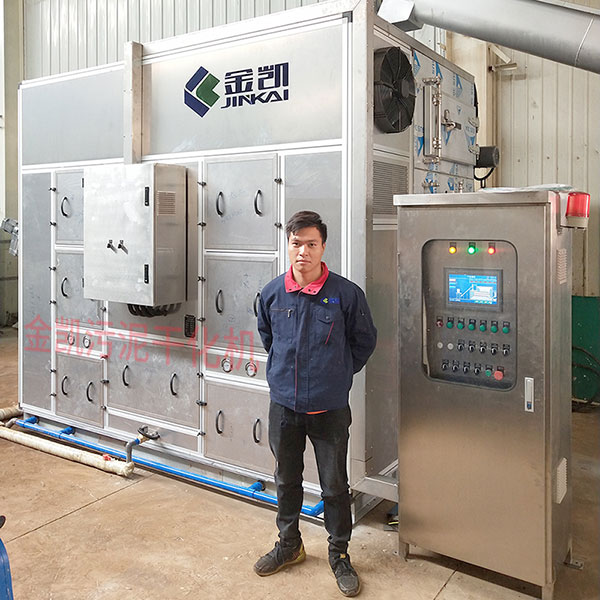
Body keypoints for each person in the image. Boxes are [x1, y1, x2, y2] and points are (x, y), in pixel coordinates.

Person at [254, 211, 377, 597]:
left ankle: (339, 554)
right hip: (284, 407)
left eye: (311, 244)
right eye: (296, 243)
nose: (303, 251)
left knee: (334, 485)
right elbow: (268, 337)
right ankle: (289, 545)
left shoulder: (346, 294)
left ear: (323, 247)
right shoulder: (272, 293)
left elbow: (364, 341)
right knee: (286, 479)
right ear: (288, 245)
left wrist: (337, 374)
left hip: (329, 408)